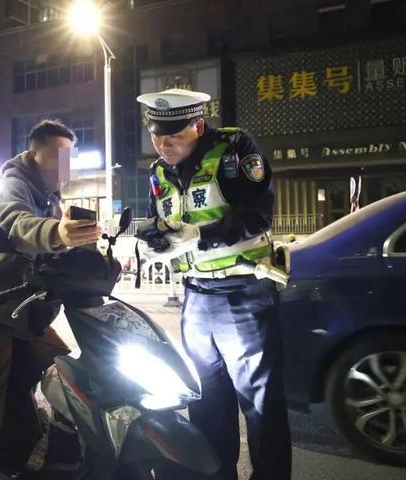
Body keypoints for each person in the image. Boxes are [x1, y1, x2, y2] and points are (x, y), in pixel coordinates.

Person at [137, 88, 291, 479]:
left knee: (260, 404)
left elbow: (258, 214)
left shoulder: (234, 151)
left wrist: (201, 236)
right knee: (206, 405)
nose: (164, 145)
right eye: (157, 136)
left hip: (243, 294)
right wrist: (157, 239)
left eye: (174, 136)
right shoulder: (159, 172)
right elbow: (163, 221)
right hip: (195, 297)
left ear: (198, 126)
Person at [0, 119, 102, 479]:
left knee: (73, 380)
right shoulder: (11, 187)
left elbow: (55, 255)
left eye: (69, 160)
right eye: (57, 158)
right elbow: (17, 225)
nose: (64, 169)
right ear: (35, 154)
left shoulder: (50, 199)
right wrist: (57, 232)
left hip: (26, 316)